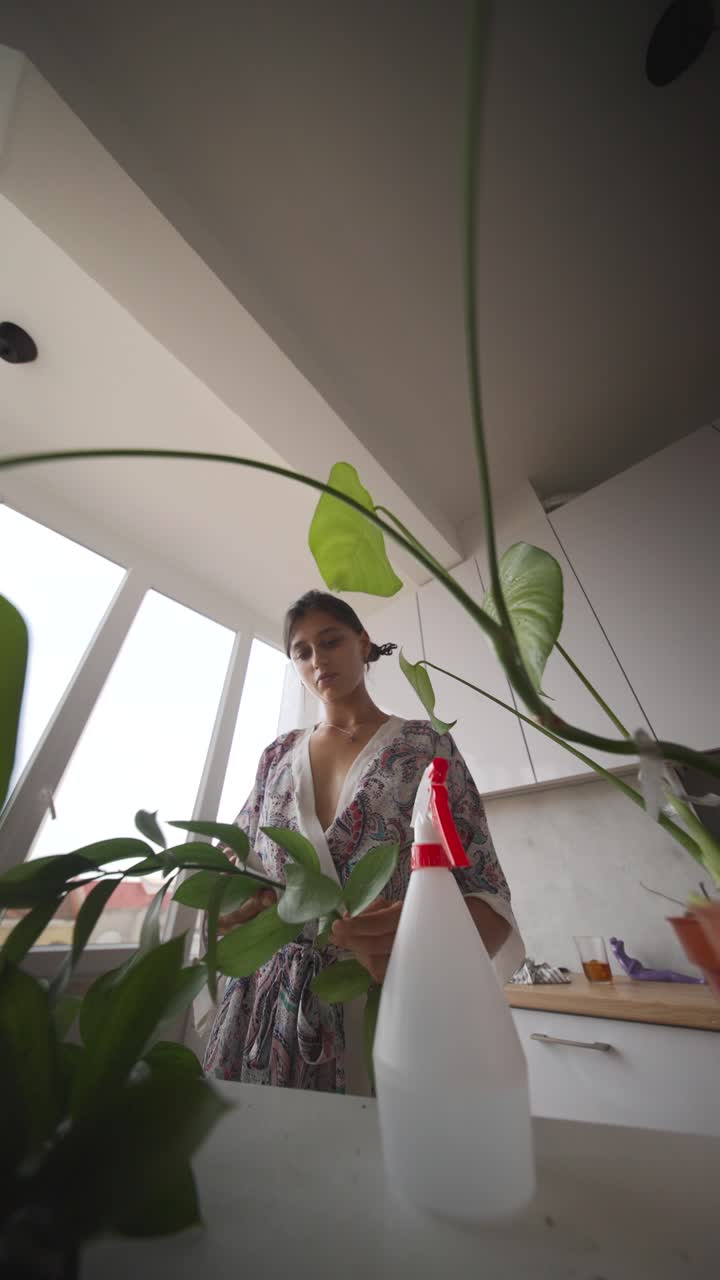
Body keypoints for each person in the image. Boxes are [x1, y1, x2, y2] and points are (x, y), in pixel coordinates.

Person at [202, 590, 523, 1095]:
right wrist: (229, 903)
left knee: (376, 1161)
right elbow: (240, 867)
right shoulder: (276, 758)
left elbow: (485, 890)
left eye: (330, 641)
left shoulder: (425, 746)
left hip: (383, 1004)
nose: (317, 659)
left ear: (363, 643)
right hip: (265, 1011)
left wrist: (430, 941)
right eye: (302, 652)